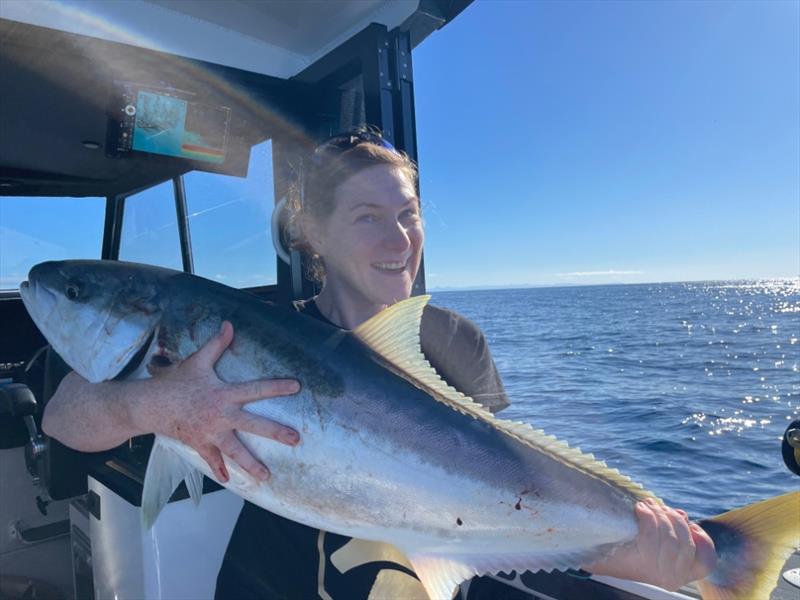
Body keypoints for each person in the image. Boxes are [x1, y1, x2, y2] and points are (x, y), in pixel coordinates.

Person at [43, 129, 716, 599]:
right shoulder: (235, 331)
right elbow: (65, 419)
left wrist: (629, 546)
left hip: (424, 571)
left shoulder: (453, 342)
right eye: (369, 218)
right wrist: (157, 407)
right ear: (314, 235)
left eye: (409, 215)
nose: (400, 240)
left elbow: (512, 493)